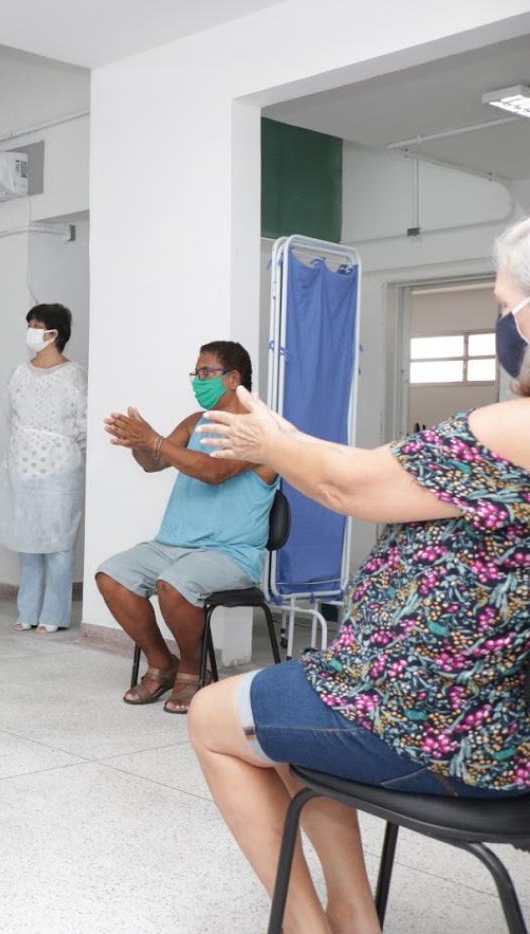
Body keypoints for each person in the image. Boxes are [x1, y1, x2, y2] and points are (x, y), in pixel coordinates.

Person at [188, 216, 530, 934]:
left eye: (505, 309)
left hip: (439, 728)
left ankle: (310, 925)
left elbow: (353, 489)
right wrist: (279, 436)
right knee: (282, 704)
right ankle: (354, 911)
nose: (504, 325)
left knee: (214, 716)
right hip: (493, 716)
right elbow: (370, 470)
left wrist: (270, 442)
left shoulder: (514, 428)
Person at [97, 341, 278, 714]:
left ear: (233, 378)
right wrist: (138, 442)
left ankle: (193, 674)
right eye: (195, 373)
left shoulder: (261, 431)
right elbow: (152, 463)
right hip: (172, 545)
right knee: (111, 576)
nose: (198, 381)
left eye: (205, 373)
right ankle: (163, 664)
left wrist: (155, 440)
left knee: (175, 585)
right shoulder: (196, 423)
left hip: (229, 554)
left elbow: (214, 472)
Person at [0, 303, 87, 633]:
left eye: (37, 325)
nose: (30, 331)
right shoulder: (19, 372)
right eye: (29, 324)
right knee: (27, 542)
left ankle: (54, 616)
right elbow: (10, 414)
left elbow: (82, 425)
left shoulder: (74, 375)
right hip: (21, 467)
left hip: (59, 471)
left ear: (54, 334)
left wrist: (60, 450)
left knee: (58, 544)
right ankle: (27, 611)